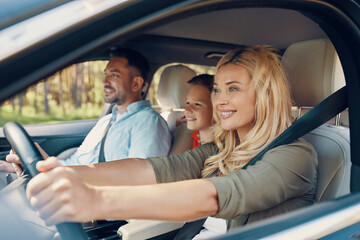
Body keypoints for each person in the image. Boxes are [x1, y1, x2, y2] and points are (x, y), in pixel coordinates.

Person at [18, 46, 317, 234]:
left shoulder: (294, 155)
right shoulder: (224, 150)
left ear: (265, 95)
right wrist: (64, 172)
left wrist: (97, 201)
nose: (220, 100)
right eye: (217, 89)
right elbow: (153, 169)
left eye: (233, 88)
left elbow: (213, 195)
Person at [2, 48, 171, 180]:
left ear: (136, 83)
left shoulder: (149, 123)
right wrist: (38, 165)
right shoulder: (107, 121)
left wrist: (65, 176)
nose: (104, 82)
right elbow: (77, 162)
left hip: (98, 215)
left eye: (114, 75)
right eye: (105, 74)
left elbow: (139, 179)